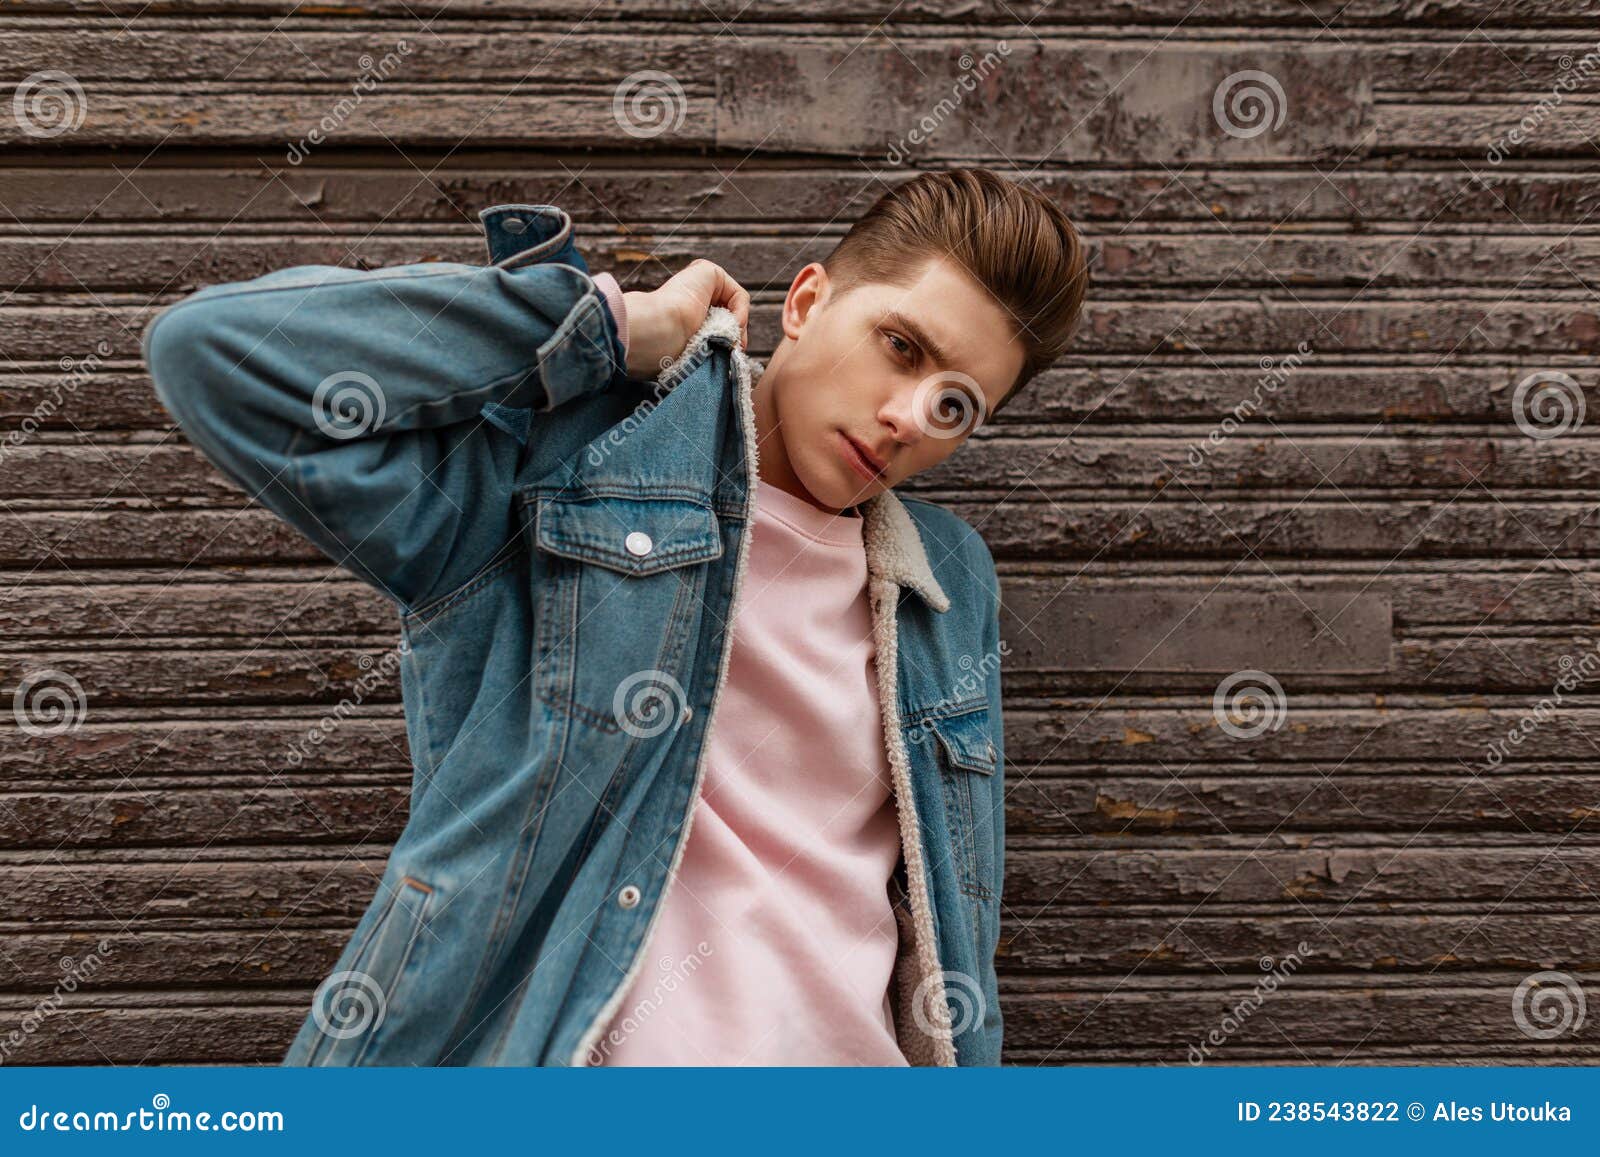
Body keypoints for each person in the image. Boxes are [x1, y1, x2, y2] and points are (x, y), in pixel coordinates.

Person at [142, 166, 1087, 1066]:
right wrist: (610, 327)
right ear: (805, 304)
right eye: (902, 346)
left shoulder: (946, 581)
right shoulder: (574, 470)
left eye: (957, 404)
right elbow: (219, 357)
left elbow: (958, 939)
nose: (910, 416)